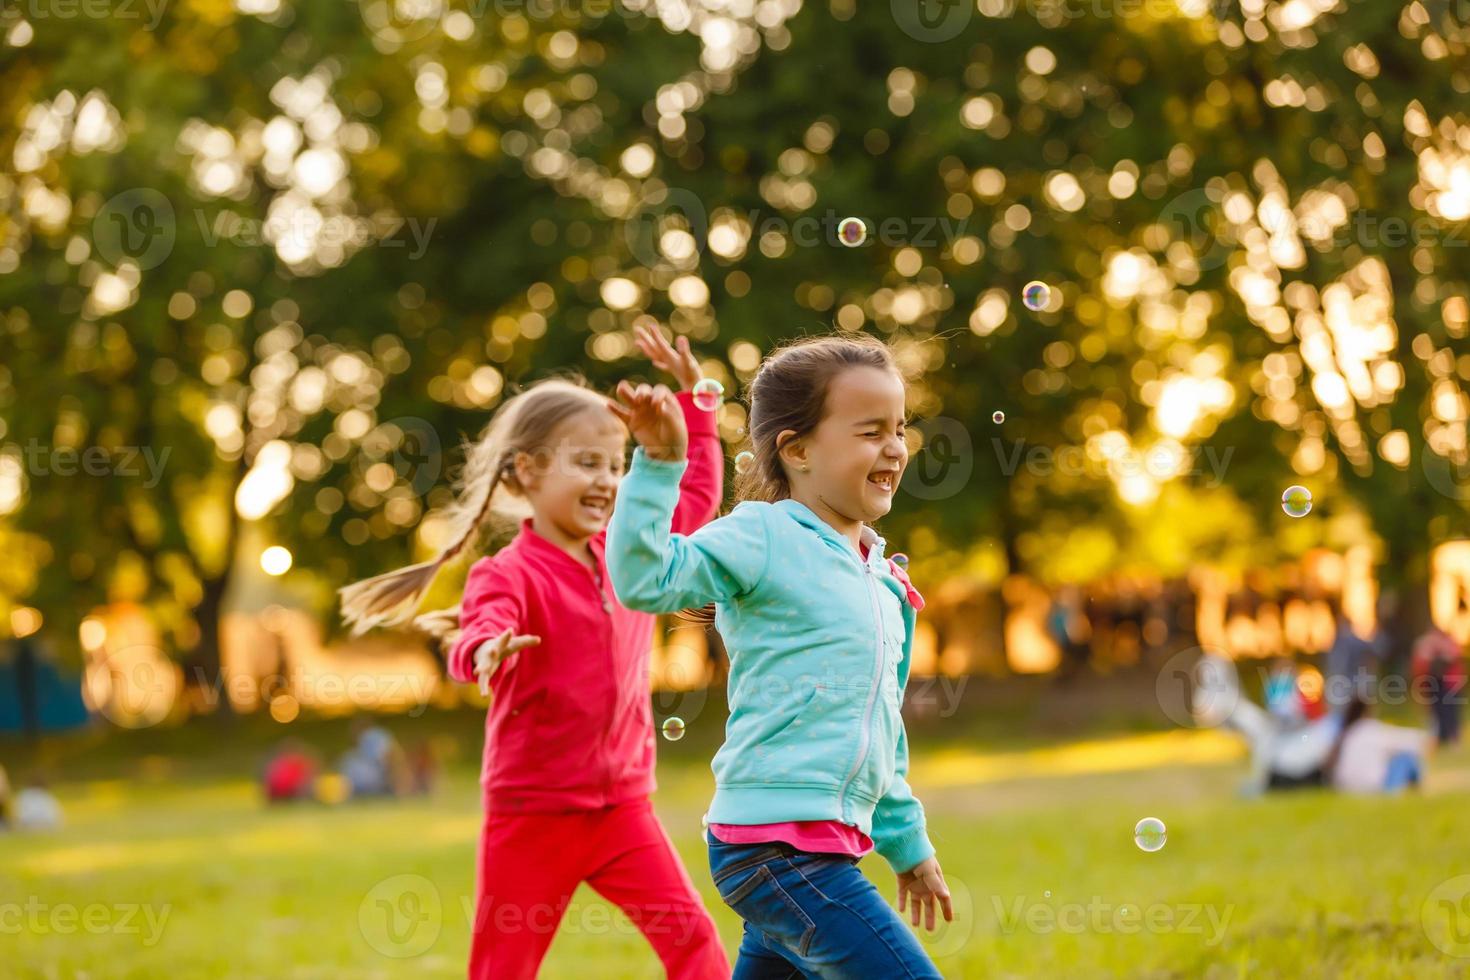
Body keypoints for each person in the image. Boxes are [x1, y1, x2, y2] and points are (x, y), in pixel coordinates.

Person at [339, 324, 729, 980]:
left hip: (622, 811)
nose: (607, 480)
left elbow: (690, 501)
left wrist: (696, 405)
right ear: (526, 472)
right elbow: (479, 628)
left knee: (695, 943)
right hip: (532, 815)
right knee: (503, 968)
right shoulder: (510, 571)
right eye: (586, 463)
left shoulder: (627, 555)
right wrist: (486, 650)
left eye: (614, 464)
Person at [607, 334, 952, 979]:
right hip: (776, 849)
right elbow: (644, 580)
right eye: (870, 431)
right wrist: (657, 465)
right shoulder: (761, 535)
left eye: (899, 429)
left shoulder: (881, 578)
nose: (895, 448)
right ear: (796, 450)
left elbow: (882, 732)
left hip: (817, 848)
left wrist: (908, 845)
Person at [1325, 697, 1432, 795]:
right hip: (1372, 786)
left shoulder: (1345, 734)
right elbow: (1411, 741)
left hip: (1344, 787)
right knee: (1406, 758)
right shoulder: (1371, 729)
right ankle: (1417, 790)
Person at [1412, 625, 1465, 746]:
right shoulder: (1425, 646)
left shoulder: (1448, 644)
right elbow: (1420, 664)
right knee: (1436, 712)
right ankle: (1440, 738)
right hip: (1434, 685)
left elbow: (1452, 656)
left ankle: (1453, 738)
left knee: (1451, 712)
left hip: (1450, 685)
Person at [262, 738, 318, 804]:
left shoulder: (299, 762)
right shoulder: (280, 763)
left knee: (308, 783)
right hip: (282, 791)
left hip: (291, 791)